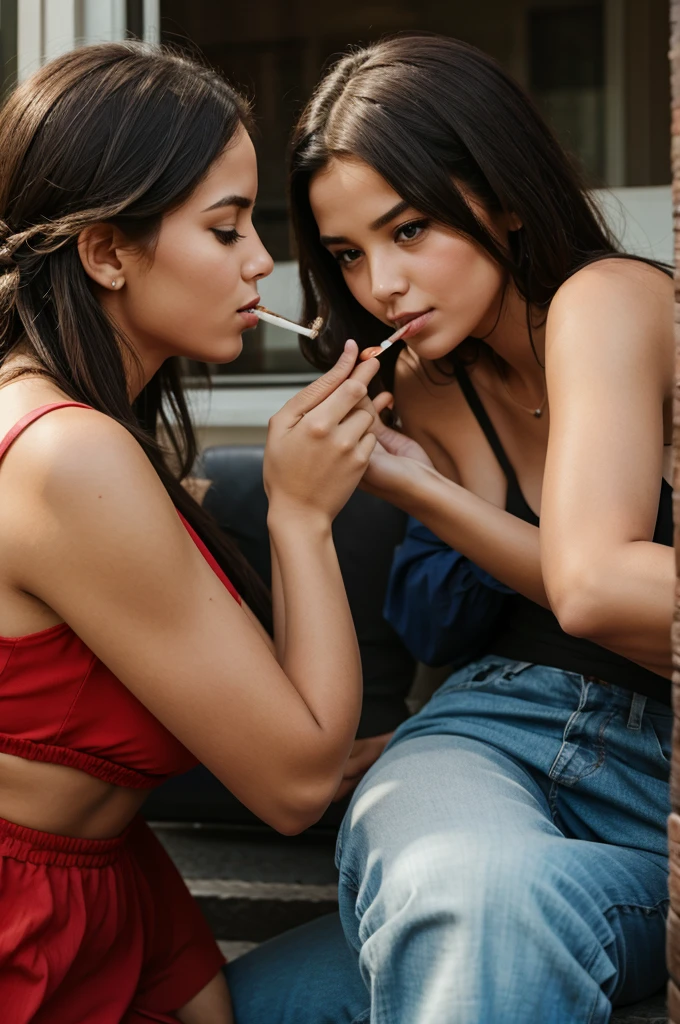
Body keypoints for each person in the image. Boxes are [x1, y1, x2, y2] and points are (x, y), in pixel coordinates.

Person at [227, 34, 673, 1023]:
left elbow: (590, 588)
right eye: (348, 252)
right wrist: (405, 486)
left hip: (655, 787)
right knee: (237, 1002)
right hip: (482, 738)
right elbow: (561, 591)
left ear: (504, 198)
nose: (380, 283)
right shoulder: (429, 390)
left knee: (478, 905)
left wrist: (425, 495)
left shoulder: (606, 302)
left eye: (410, 228)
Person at [0, 41, 383, 1024]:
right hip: (27, 928)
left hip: (108, 887)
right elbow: (293, 780)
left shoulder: (74, 423)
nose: (261, 258)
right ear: (105, 251)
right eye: (225, 227)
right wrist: (300, 512)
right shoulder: (64, 455)